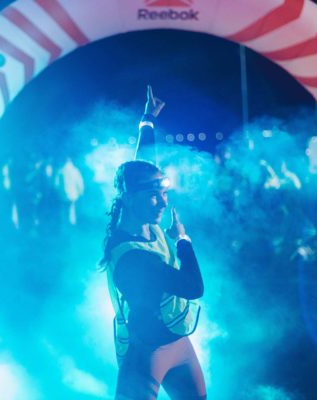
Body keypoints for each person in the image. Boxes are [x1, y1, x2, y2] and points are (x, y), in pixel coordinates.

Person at [100, 86, 206, 399]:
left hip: (178, 344)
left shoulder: (142, 217)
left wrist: (148, 120)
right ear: (130, 198)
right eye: (154, 196)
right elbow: (193, 287)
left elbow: (143, 166)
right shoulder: (133, 257)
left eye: (165, 193)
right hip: (146, 353)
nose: (163, 202)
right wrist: (183, 239)